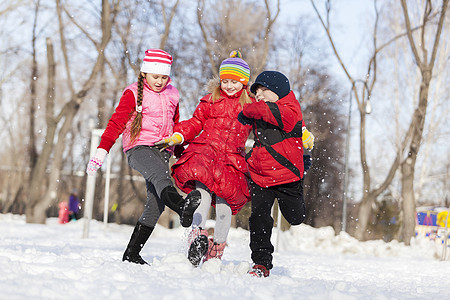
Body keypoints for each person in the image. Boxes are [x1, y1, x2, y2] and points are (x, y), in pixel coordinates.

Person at [86, 49, 201, 265]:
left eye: (164, 77)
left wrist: (179, 152)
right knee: (161, 179)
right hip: (138, 148)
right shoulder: (132, 93)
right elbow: (116, 123)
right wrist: (102, 150)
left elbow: (174, 127)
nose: (159, 81)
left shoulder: (172, 94)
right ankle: (181, 206)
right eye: (155, 76)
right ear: (144, 74)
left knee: (155, 204)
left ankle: (131, 254)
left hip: (163, 150)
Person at [159, 51, 254, 267]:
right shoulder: (211, 99)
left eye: (234, 82)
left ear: (244, 83)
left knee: (224, 207)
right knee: (202, 195)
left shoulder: (250, 106)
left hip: (231, 161)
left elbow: (265, 127)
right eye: (226, 81)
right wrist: (180, 134)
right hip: (207, 153)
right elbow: (196, 122)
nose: (229, 86)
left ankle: (217, 248)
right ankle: (197, 235)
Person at [237, 70, 315, 277]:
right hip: (262, 176)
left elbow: (272, 114)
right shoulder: (260, 110)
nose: (259, 95)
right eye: (257, 91)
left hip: (288, 175)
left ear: (279, 91)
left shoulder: (290, 109)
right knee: (259, 218)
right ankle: (261, 263)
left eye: (264, 90)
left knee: (296, 217)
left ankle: (302, 171)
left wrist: (249, 110)